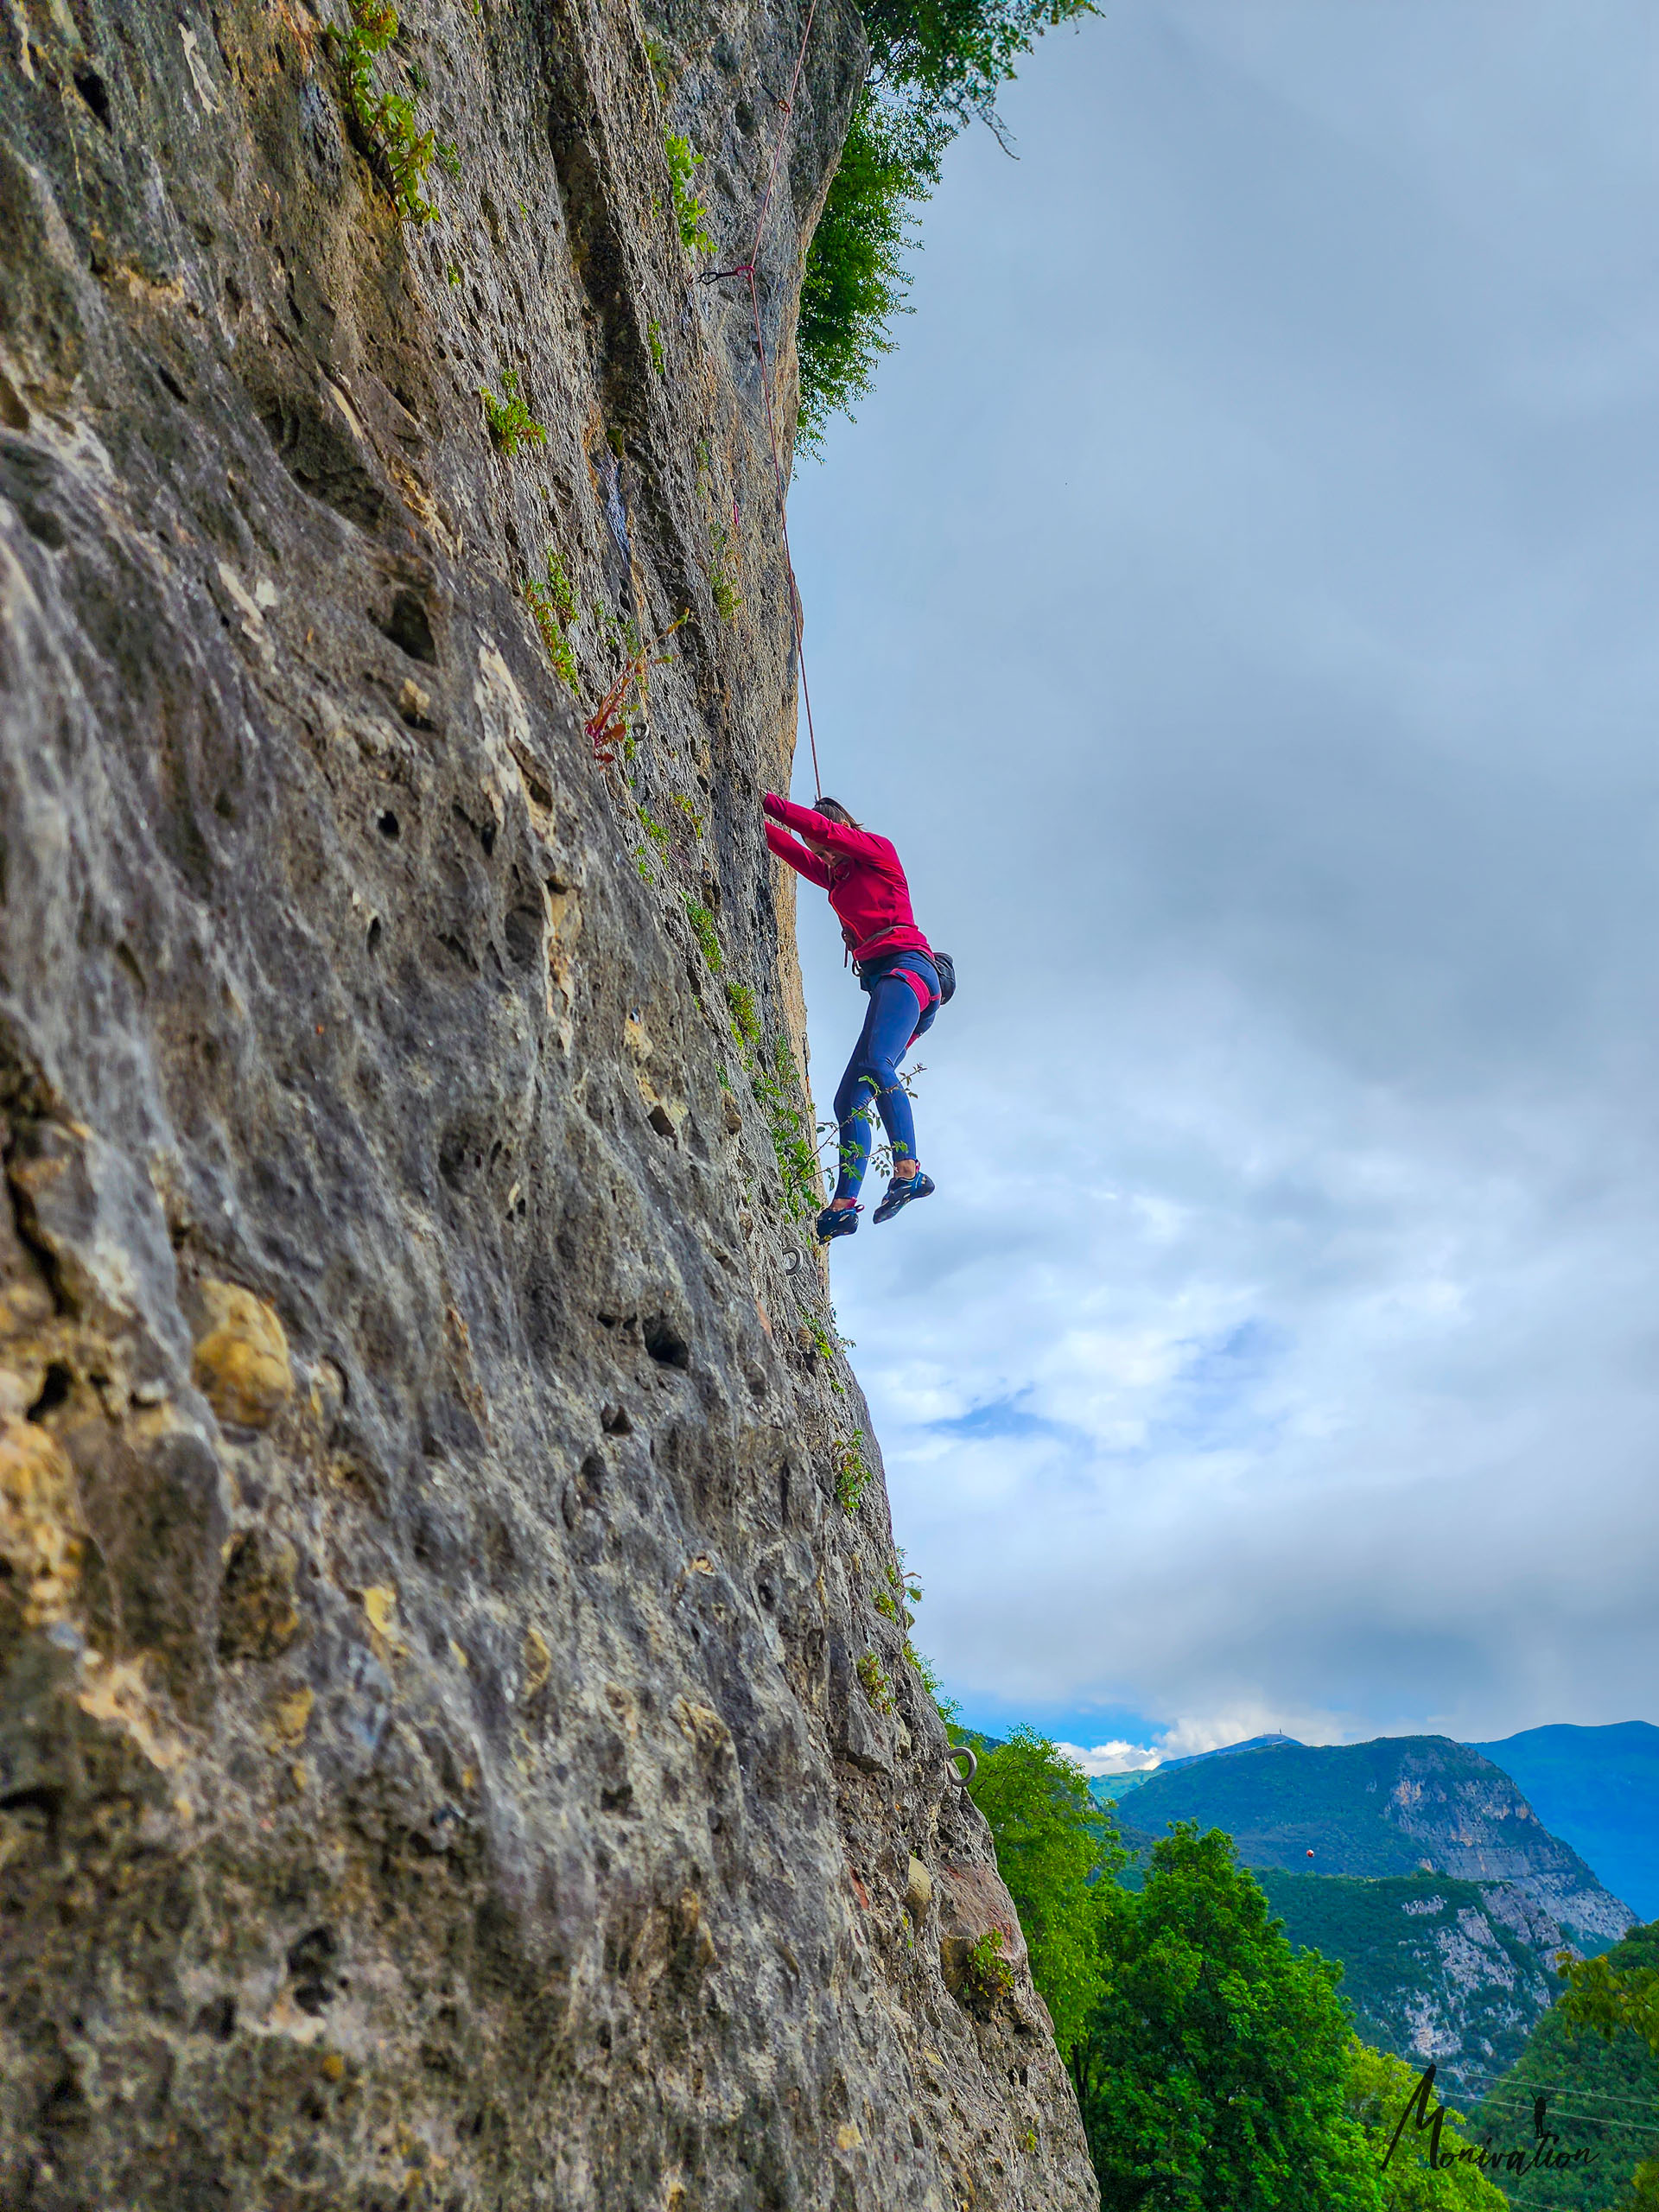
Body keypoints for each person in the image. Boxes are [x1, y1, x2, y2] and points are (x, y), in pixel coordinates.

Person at [763, 791, 942, 1242]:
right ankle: (843, 1207)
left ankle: (909, 1171)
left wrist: (767, 801)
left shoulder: (879, 852)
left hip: (909, 969)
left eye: (828, 848)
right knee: (849, 1099)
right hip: (891, 984)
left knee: (877, 1063)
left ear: (842, 832)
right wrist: (751, 813)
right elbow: (790, 849)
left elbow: (819, 830)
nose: (825, 858)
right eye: (821, 854)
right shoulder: (836, 877)